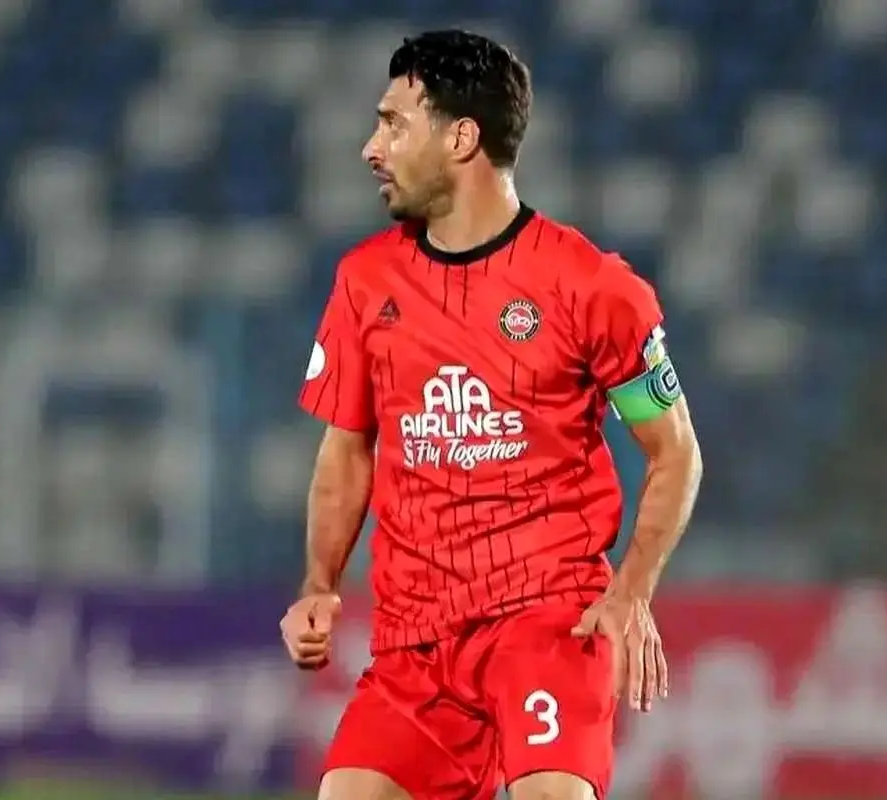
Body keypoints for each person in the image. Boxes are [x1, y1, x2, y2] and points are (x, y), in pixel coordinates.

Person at [282, 30, 703, 800]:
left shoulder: (592, 287)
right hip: (414, 643)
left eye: (393, 124)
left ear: (462, 138)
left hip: (546, 623)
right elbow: (346, 450)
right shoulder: (364, 283)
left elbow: (674, 451)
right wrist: (319, 583)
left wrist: (632, 589)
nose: (371, 148)